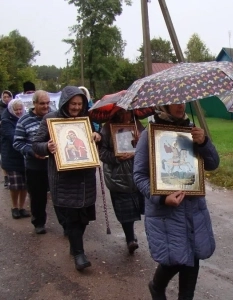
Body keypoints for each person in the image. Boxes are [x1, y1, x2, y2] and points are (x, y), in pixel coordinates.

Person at [133, 103, 220, 300]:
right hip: (167, 213)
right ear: (165, 104)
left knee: (193, 255)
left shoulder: (192, 130)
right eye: (175, 103)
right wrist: (163, 198)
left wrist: (204, 142)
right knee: (175, 258)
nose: (180, 106)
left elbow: (213, 164)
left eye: (183, 101)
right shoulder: (151, 134)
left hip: (194, 209)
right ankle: (156, 286)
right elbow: (139, 176)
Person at [32, 86, 102, 271]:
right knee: (72, 217)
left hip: (86, 177)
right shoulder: (50, 119)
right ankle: (79, 254)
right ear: (65, 102)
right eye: (73, 104)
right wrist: (47, 147)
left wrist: (97, 136)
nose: (76, 107)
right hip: (64, 178)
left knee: (84, 218)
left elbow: (97, 139)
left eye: (80, 104)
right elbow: (36, 144)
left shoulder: (87, 118)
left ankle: (75, 246)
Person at [99, 109, 145, 255]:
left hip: (137, 174)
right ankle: (130, 239)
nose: (126, 115)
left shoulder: (138, 125)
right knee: (125, 210)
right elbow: (102, 153)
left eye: (129, 112)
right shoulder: (107, 128)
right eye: (122, 113)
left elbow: (148, 147)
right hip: (117, 176)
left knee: (143, 206)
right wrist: (117, 157)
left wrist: (141, 141)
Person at [13, 90, 50, 234]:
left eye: (47, 103)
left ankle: (66, 224)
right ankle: (39, 222)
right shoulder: (23, 120)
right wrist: (32, 151)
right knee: (37, 196)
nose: (46, 106)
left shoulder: (53, 117)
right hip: (34, 165)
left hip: (53, 164)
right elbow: (17, 143)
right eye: (42, 103)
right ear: (34, 103)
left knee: (59, 195)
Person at [1, 99, 30, 219]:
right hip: (12, 157)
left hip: (24, 157)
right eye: (16, 109)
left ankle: (22, 207)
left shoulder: (25, 119)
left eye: (20, 109)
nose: (18, 111)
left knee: (24, 185)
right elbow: (13, 136)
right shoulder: (6, 121)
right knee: (15, 185)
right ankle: (14, 207)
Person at [0, 90, 13, 188]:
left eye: (8, 96)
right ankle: (6, 177)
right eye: (4, 97)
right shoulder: (1, 108)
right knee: (3, 155)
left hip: (11, 132)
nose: (6, 98)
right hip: (2, 134)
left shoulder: (14, 107)